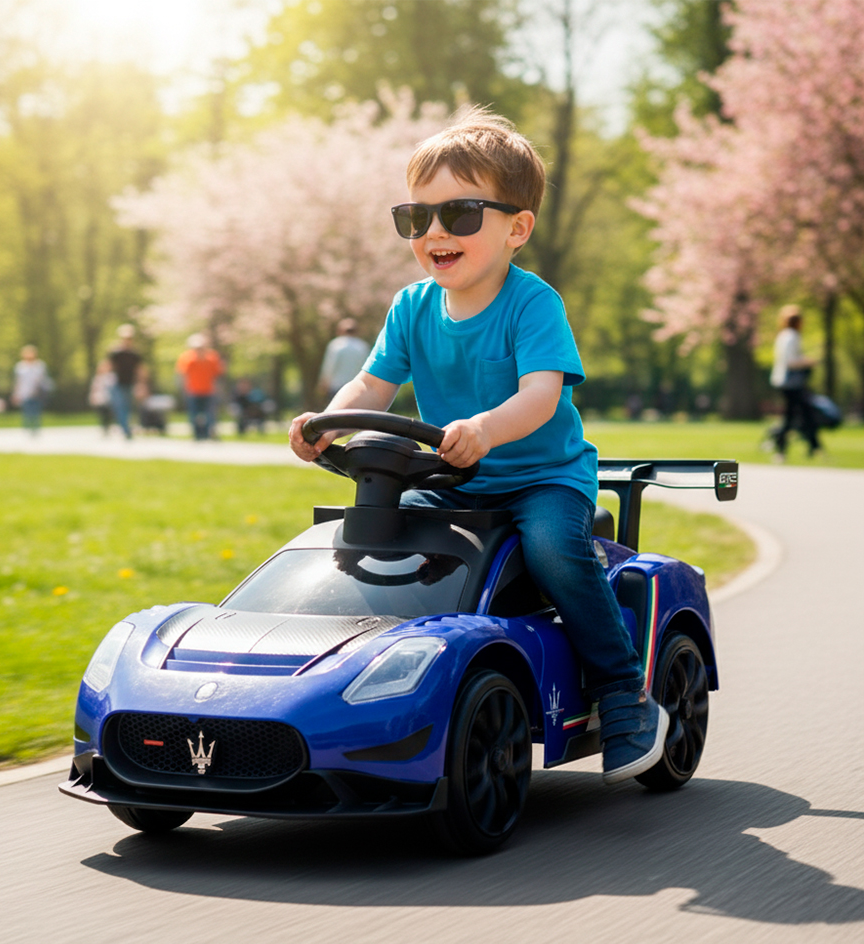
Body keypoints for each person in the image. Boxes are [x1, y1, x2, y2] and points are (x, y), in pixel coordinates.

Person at [289, 107, 666, 785]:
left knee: (553, 548)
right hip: (455, 476)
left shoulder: (532, 304)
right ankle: (366, 674)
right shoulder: (411, 307)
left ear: (516, 228)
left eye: (460, 215)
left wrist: (486, 429)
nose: (435, 231)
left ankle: (622, 691)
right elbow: (373, 385)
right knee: (374, 531)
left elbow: (540, 397)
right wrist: (328, 422)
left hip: (542, 477)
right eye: (417, 217)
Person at [769, 305, 819, 459]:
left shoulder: (783, 336)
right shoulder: (792, 337)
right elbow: (791, 361)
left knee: (801, 413)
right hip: (791, 383)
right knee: (794, 415)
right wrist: (808, 362)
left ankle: (813, 447)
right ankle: (782, 447)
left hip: (784, 381)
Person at [175, 334, 225, 440]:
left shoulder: (212, 357)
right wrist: (183, 388)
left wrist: (218, 388)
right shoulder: (187, 358)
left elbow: (217, 375)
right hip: (193, 390)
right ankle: (197, 434)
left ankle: (209, 433)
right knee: (194, 414)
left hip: (209, 391)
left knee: (210, 414)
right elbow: (183, 375)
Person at [317, 318, 371, 403]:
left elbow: (329, 367)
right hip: (356, 387)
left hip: (336, 386)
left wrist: (324, 384)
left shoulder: (336, 345)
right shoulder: (363, 347)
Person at [108, 324, 145, 439]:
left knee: (128, 407)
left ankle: (126, 427)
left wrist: (141, 384)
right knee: (120, 406)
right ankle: (125, 429)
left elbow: (140, 370)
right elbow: (108, 367)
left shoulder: (135, 354)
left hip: (130, 383)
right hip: (117, 383)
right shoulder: (116, 353)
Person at [11, 345, 49, 434]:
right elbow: (18, 381)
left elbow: (42, 379)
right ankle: (27, 428)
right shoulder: (20, 366)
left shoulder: (39, 365)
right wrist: (16, 393)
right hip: (24, 392)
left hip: (37, 392)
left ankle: (36, 428)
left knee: (36, 410)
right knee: (26, 410)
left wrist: (37, 389)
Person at [89, 358, 116, 435]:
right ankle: (105, 427)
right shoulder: (98, 378)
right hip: (100, 399)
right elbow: (94, 389)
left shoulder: (112, 376)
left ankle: (108, 426)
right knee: (102, 414)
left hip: (109, 399)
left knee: (109, 414)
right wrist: (92, 397)